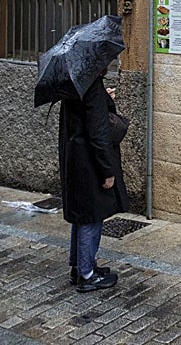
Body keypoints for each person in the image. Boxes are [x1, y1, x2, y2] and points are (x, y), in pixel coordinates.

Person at [59, 71, 129, 292]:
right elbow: (98, 134)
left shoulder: (74, 83)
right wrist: (107, 171)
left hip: (75, 159)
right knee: (92, 216)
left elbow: (83, 117)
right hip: (90, 163)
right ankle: (87, 275)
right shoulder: (91, 86)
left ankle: (79, 266)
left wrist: (104, 99)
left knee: (81, 215)